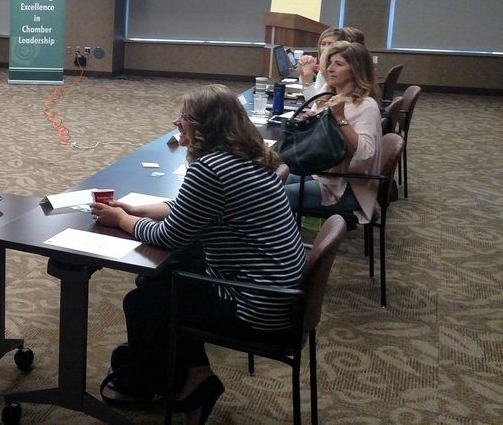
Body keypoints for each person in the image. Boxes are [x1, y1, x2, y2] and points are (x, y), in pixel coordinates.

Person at [90, 84, 306, 424]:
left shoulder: (210, 169)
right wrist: (138, 209)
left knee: (145, 300)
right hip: (279, 291)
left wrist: (122, 219)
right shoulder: (250, 157)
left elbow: (170, 236)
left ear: (206, 126)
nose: (177, 121)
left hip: (257, 305)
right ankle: (187, 377)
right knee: (163, 281)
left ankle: (181, 383)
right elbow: (190, 209)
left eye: (185, 117)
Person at [285, 40, 383, 225]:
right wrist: (309, 122)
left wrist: (340, 119)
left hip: (347, 186)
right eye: (330, 63)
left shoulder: (365, 105)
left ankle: (279, 247)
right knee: (272, 180)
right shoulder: (329, 97)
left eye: (338, 64)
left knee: (277, 197)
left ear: (356, 70)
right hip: (323, 175)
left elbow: (365, 154)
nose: (330, 69)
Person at [296, 26, 365, 99]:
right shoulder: (326, 69)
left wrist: (307, 76)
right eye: (323, 44)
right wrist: (302, 73)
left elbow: (314, 103)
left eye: (330, 44)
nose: (326, 48)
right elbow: (315, 100)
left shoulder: (336, 72)